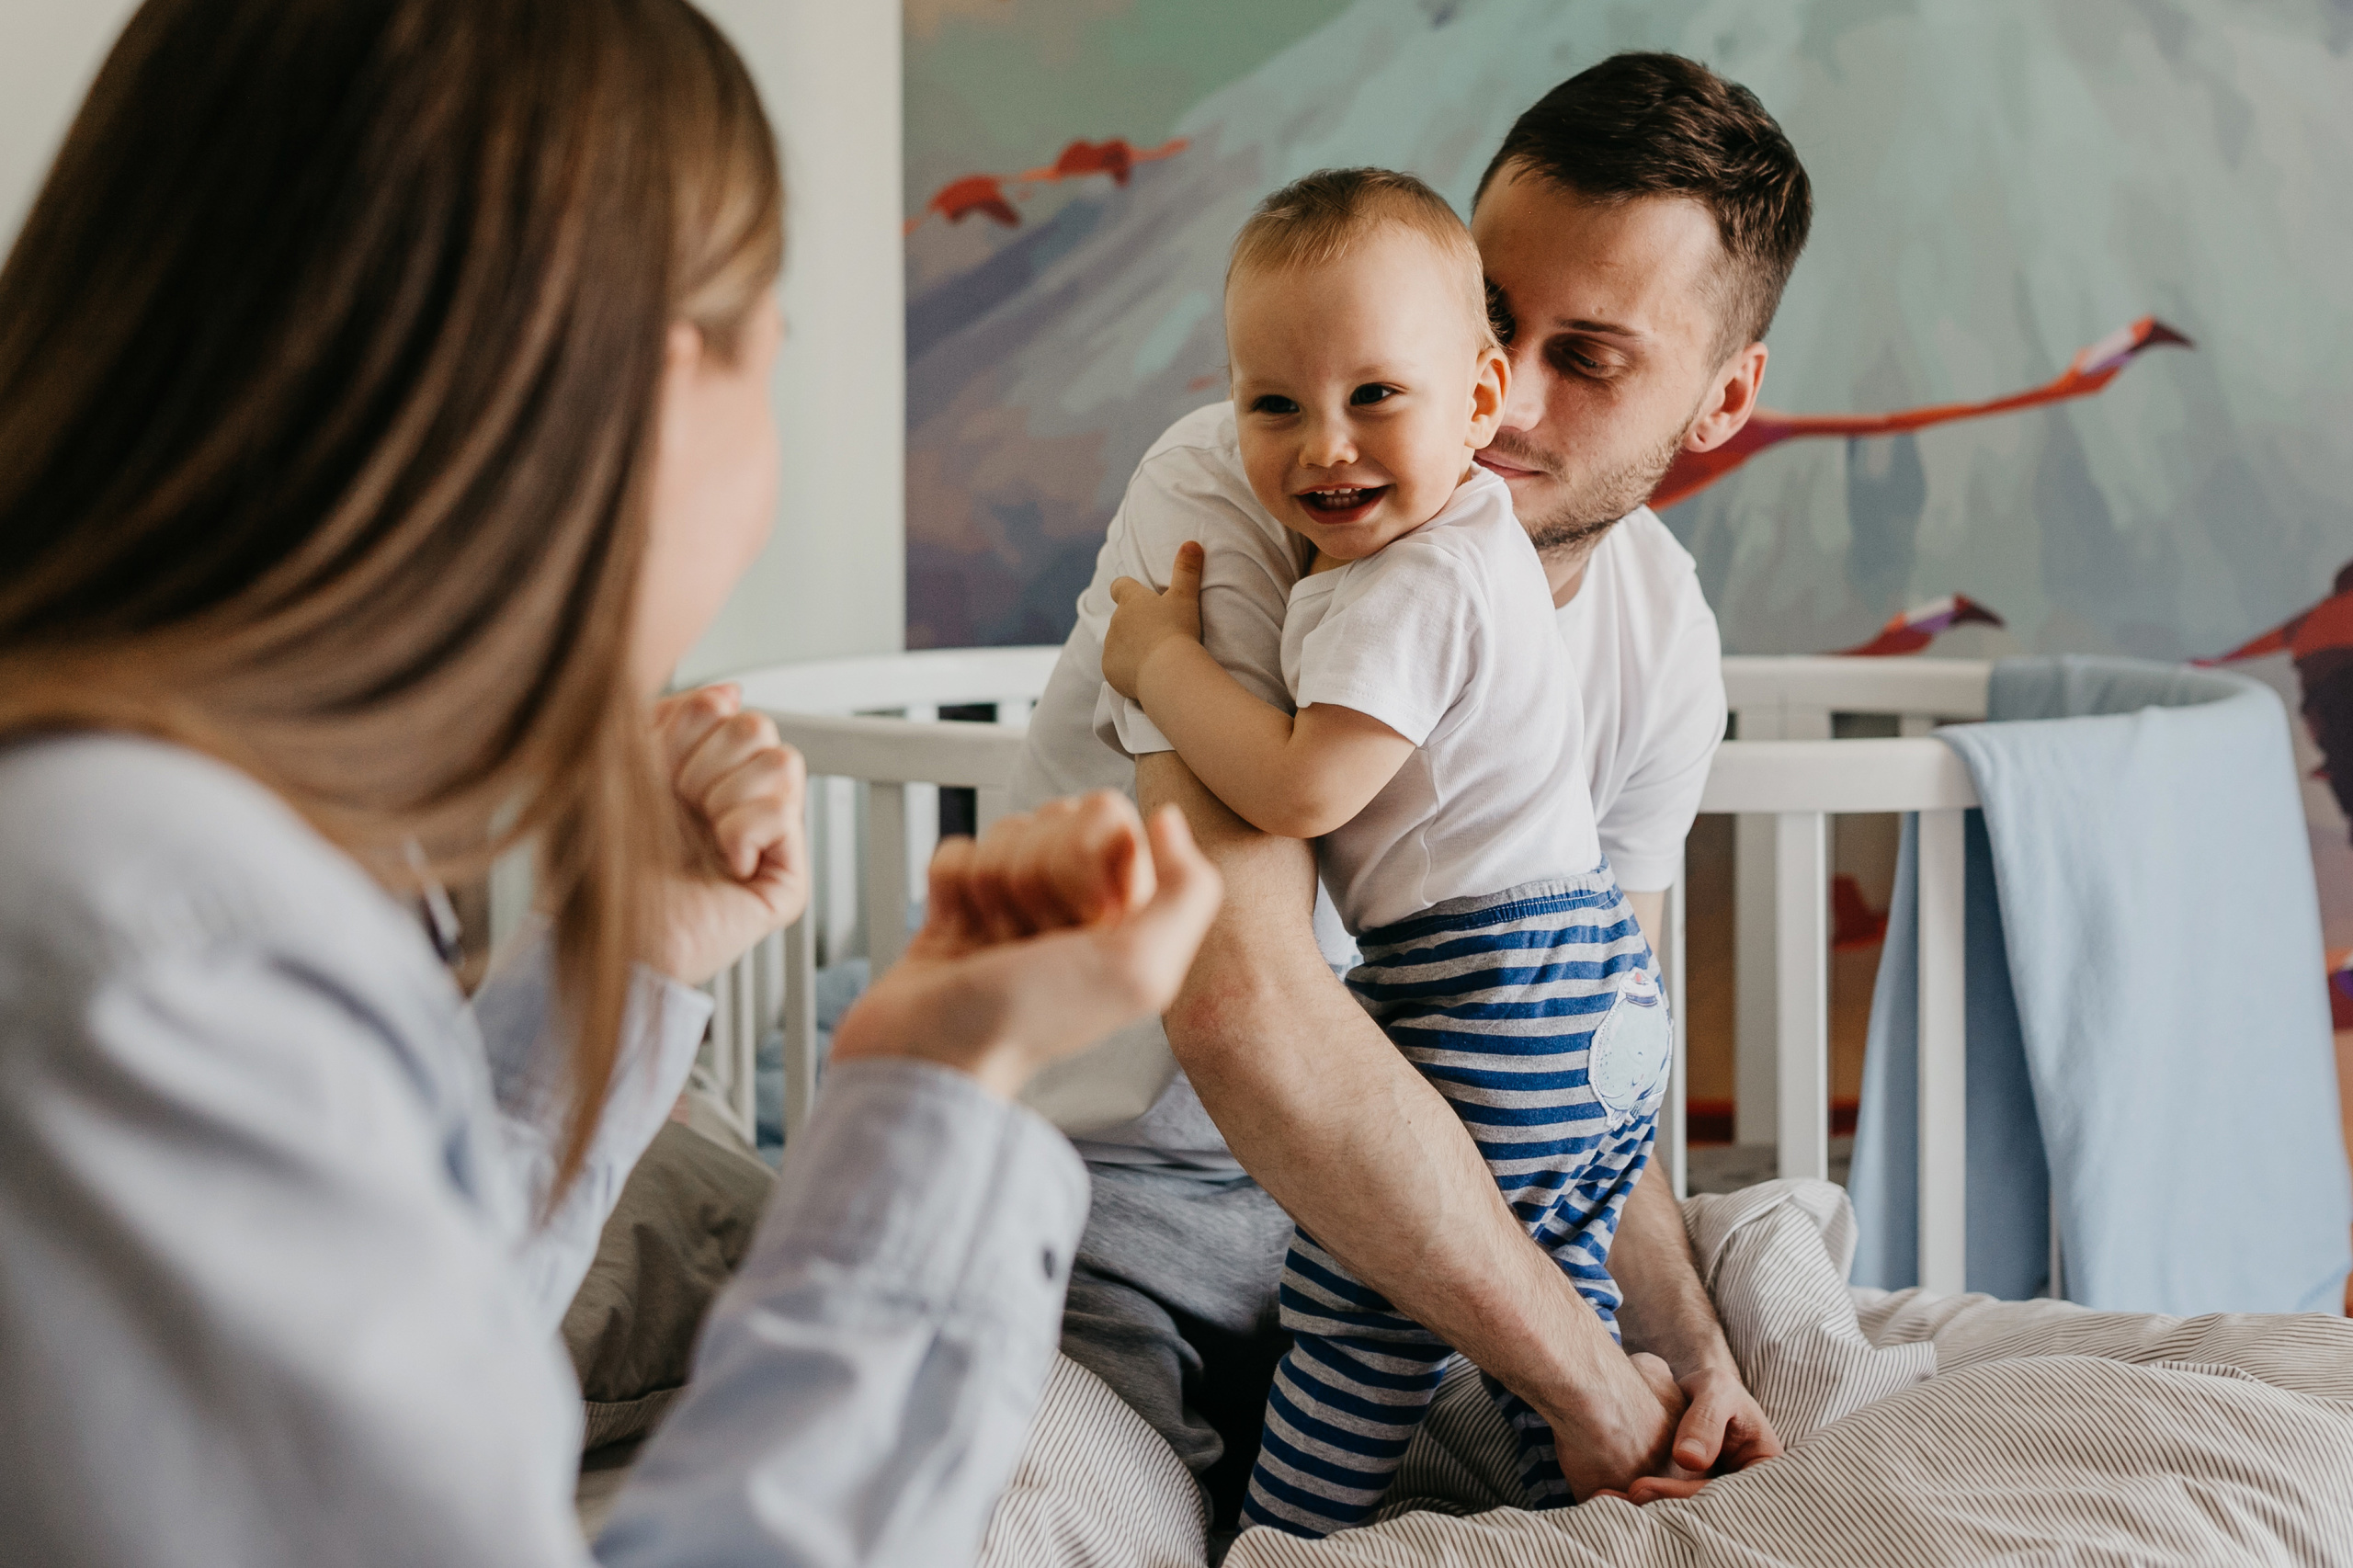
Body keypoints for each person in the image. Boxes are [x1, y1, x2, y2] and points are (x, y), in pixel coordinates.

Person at [0, 3, 1221, 1565]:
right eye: (772, 351)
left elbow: (389, 1368)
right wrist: (940, 1098)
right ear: (649, 393)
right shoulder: (169, 951)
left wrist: (623, 955)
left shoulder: (133, 869)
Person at [1011, 51, 1813, 1527]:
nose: (1504, 399)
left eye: (1592, 358)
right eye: (1493, 316)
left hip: (1427, 1245)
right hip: (1106, 1217)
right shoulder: (1254, 486)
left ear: (1722, 400)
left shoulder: (1662, 633)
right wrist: (1589, 1385)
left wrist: (1688, 1365)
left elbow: (1580, 1062)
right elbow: (1243, 1008)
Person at [1100, 168, 1672, 1537]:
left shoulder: (1405, 584)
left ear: (1480, 399)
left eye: (1374, 396)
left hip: (1489, 991)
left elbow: (1301, 789)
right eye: (1274, 406)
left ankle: (1286, 1544)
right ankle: (1609, 1523)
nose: (1326, 448)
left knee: (1361, 1317)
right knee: (1545, 1312)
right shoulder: (1471, 541)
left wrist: (1162, 665)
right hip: (1590, 1003)